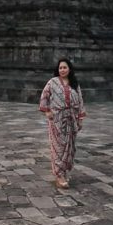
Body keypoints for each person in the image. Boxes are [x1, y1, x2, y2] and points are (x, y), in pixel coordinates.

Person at [39, 58, 86, 189]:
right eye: (60, 68)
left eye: (65, 67)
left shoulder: (74, 83)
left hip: (71, 120)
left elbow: (80, 101)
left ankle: (64, 171)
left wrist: (80, 118)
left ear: (69, 69)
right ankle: (59, 175)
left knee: (69, 147)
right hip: (57, 120)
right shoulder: (52, 82)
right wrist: (47, 111)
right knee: (58, 147)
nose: (62, 70)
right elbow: (44, 96)